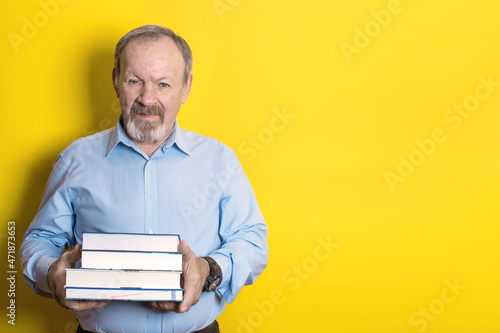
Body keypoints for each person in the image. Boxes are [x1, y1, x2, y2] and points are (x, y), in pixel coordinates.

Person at [20, 25, 268, 333]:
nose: (147, 99)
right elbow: (39, 241)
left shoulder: (220, 159)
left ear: (186, 87)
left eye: (163, 84)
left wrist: (208, 270)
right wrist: (51, 274)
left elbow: (252, 240)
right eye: (135, 81)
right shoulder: (76, 159)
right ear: (116, 80)